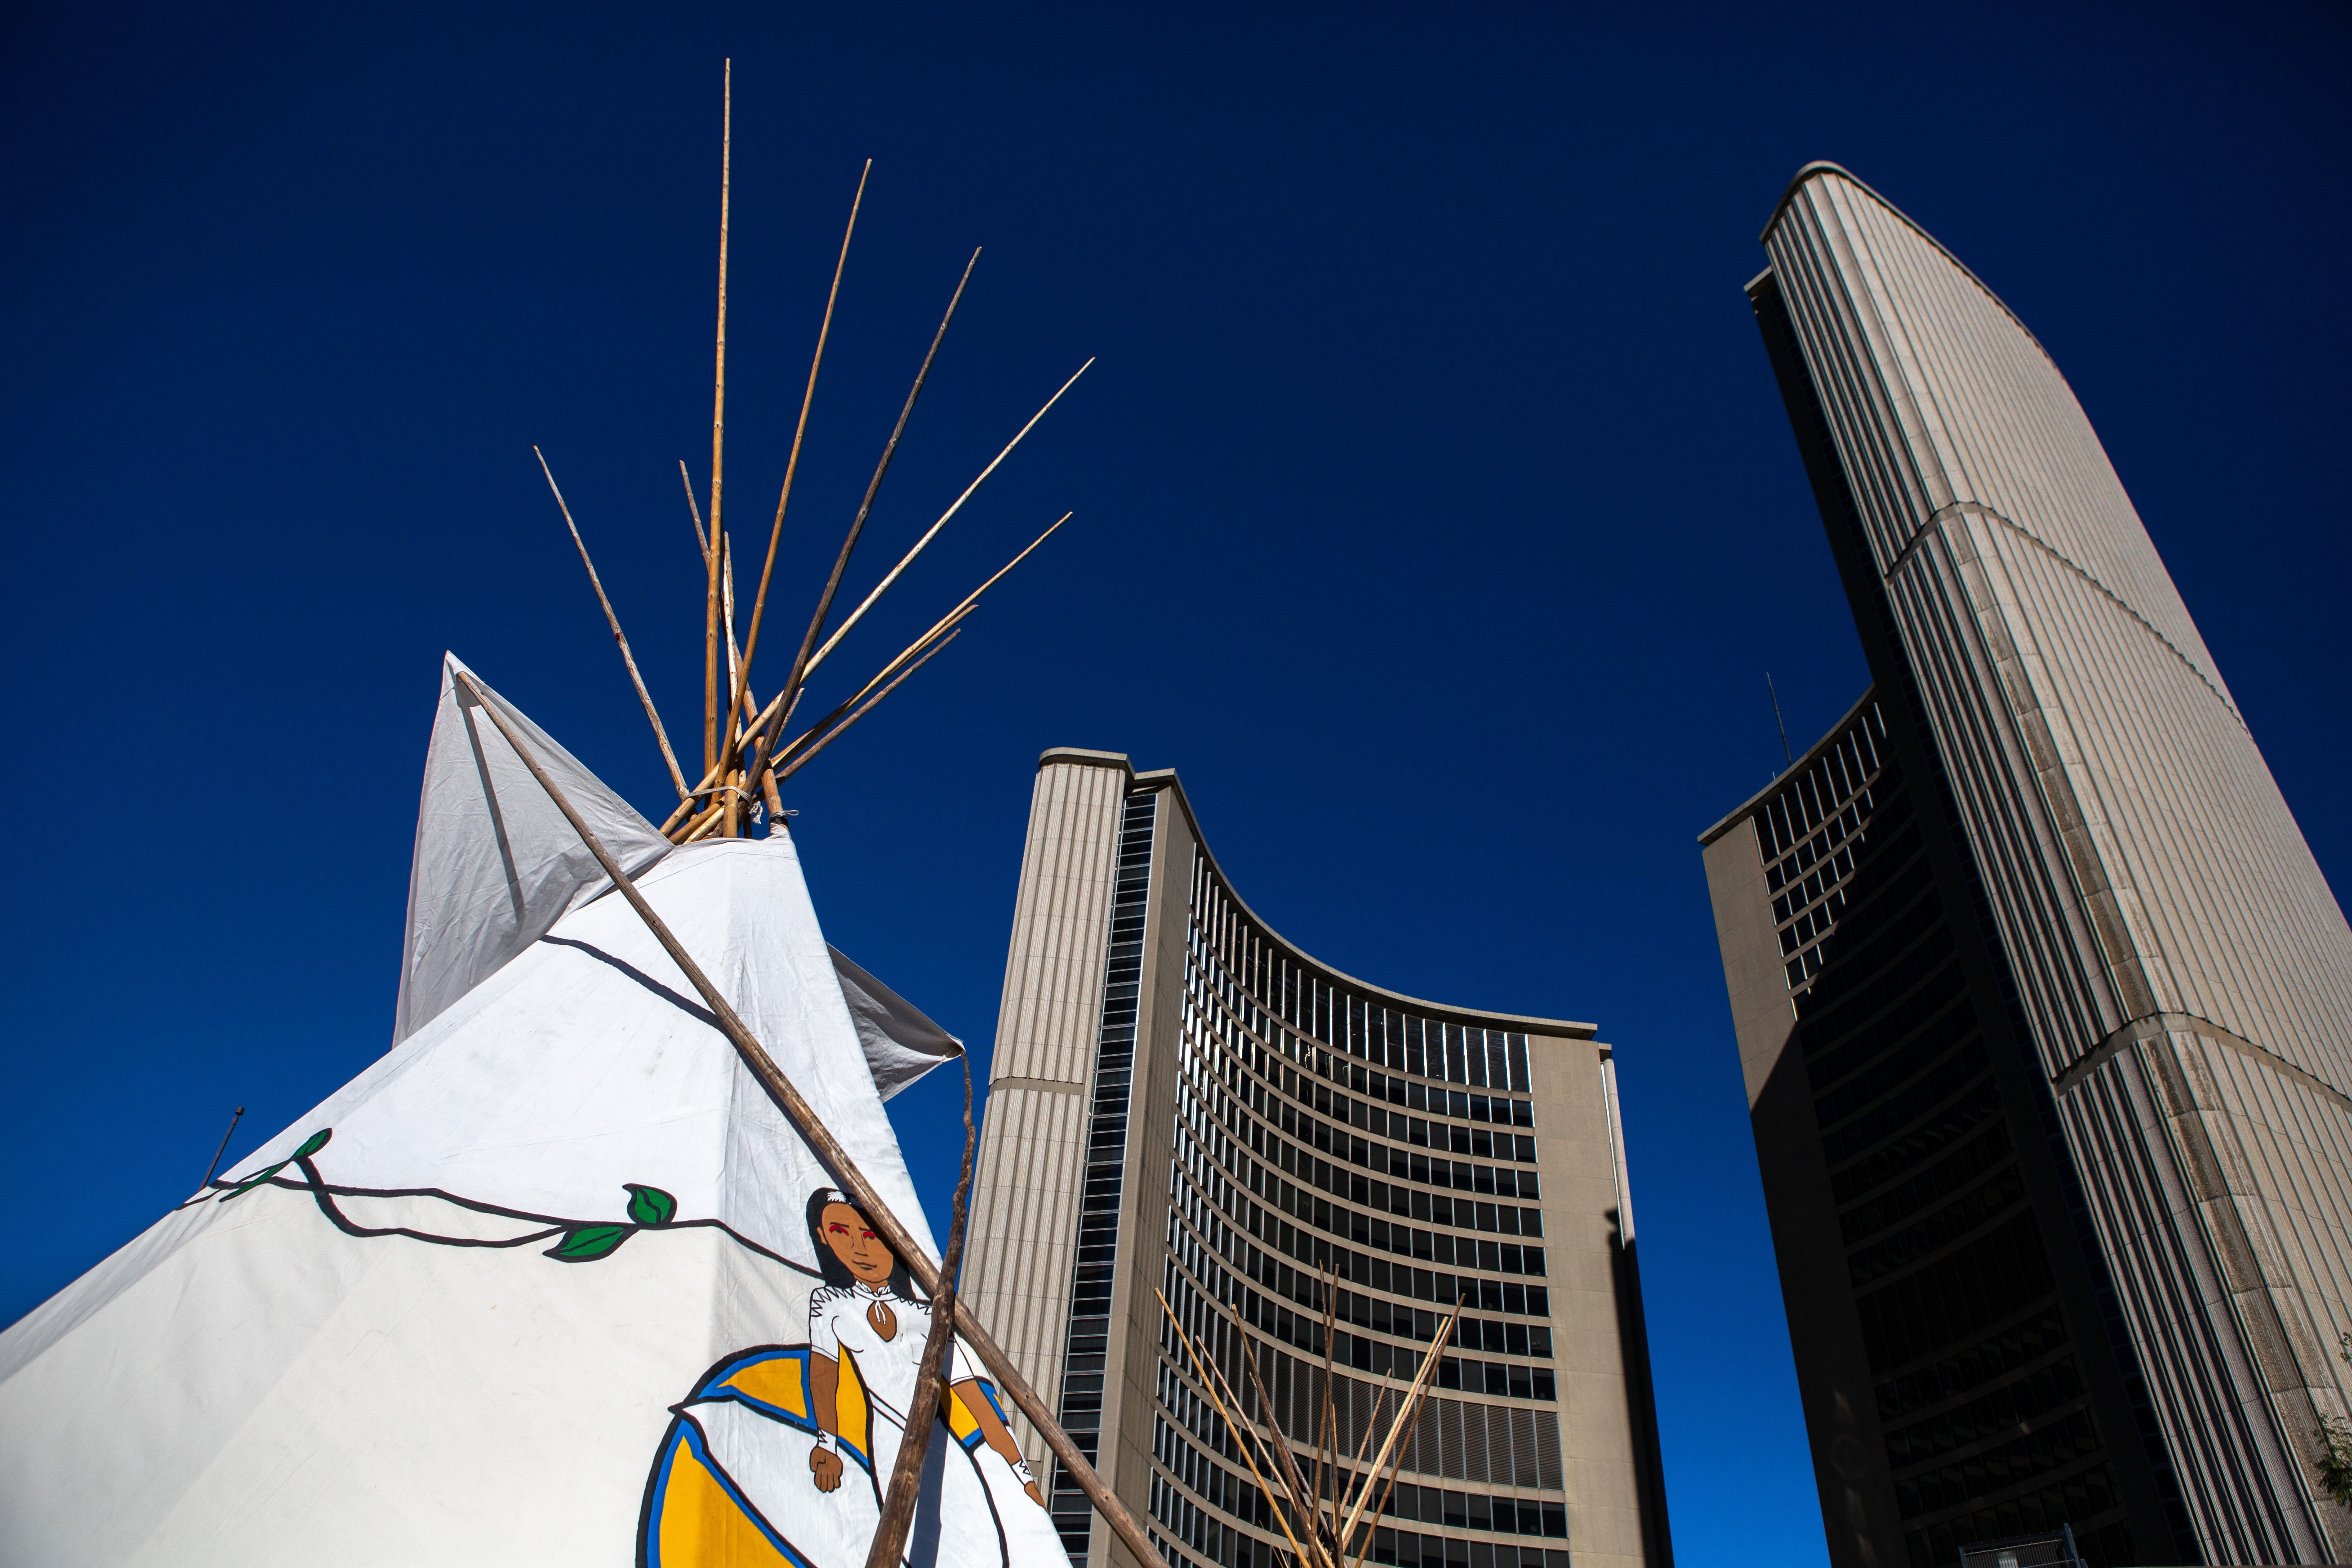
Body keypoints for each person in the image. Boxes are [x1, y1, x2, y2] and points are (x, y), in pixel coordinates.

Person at [803, 1189, 1046, 1508]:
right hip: (889, 1453)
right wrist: (826, 1444)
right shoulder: (830, 1304)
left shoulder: (930, 1318)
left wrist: (1023, 1476)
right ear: (822, 1237)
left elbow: (978, 1401)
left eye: (872, 1236)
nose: (859, 1248)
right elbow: (823, 1376)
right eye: (840, 1232)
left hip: (948, 1461)